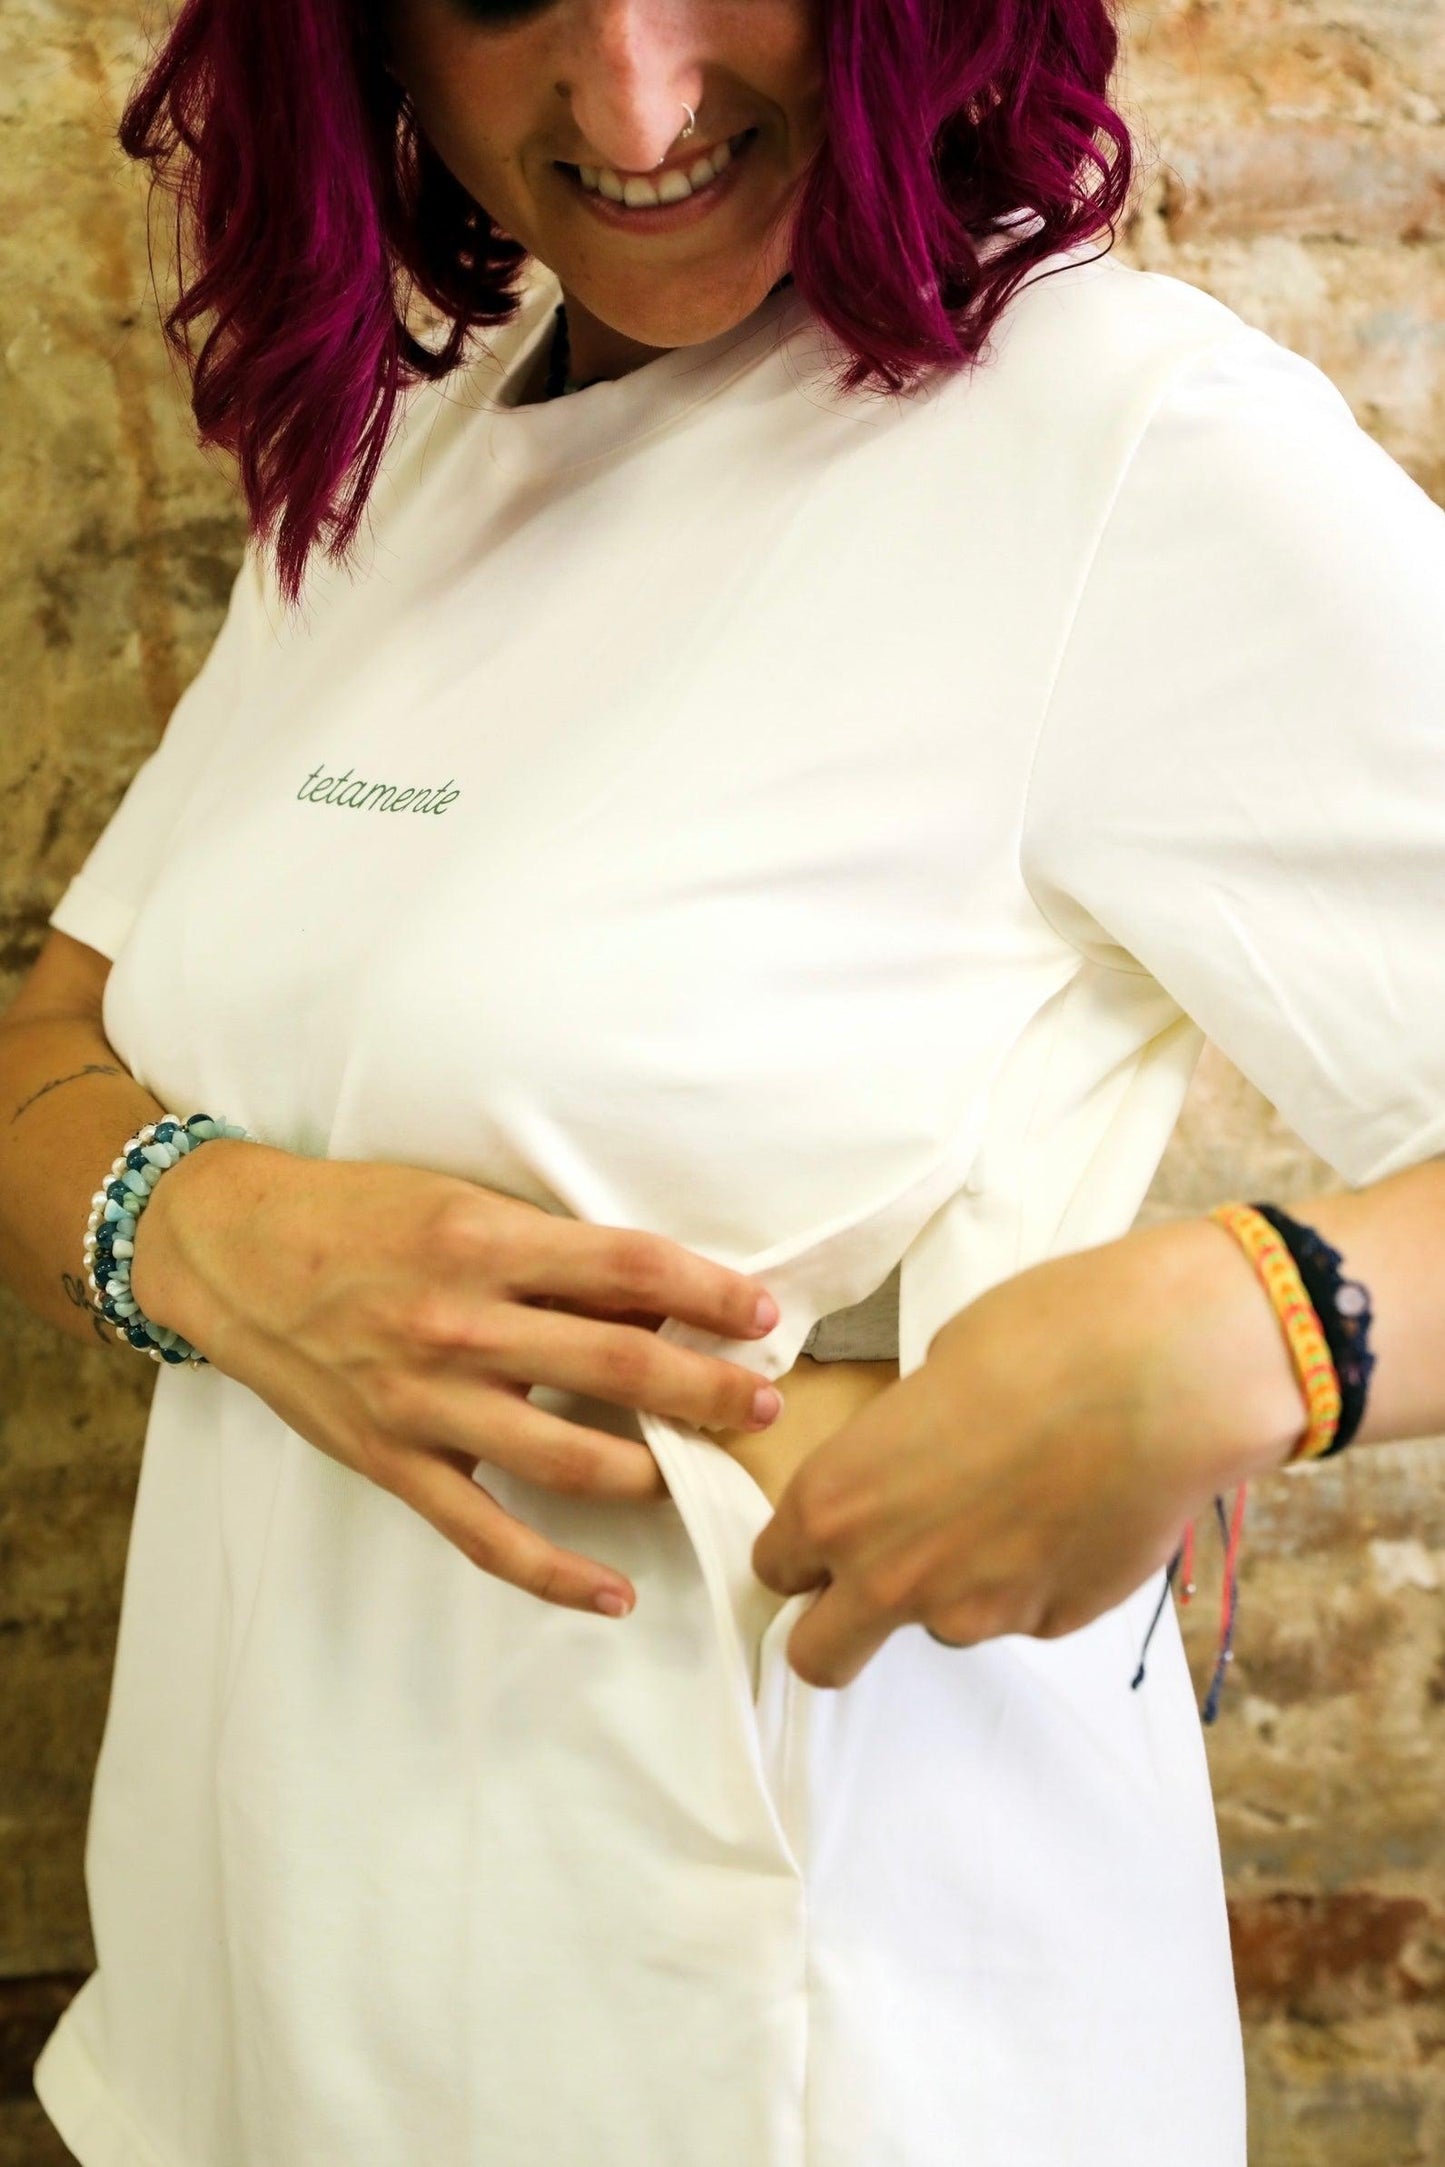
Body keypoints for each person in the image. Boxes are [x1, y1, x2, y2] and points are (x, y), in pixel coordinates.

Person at [4, 0, 1444, 2159]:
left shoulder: (1125, 444)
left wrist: (1249, 1326)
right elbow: (50, 1051)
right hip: (263, 2013)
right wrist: (208, 1232)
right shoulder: (418, 441)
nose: (638, 99)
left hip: (781, 2050)